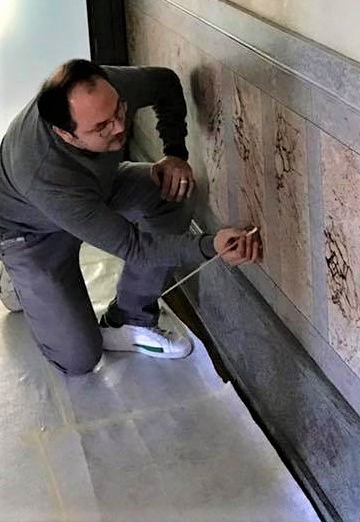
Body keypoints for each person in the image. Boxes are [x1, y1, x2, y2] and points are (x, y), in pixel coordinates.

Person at [0, 59, 261, 375]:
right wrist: (210, 246)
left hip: (95, 190)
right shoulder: (41, 172)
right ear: (66, 135)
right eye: (101, 127)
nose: (119, 127)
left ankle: (129, 318)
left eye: (119, 111)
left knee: (173, 190)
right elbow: (135, 247)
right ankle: (14, 278)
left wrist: (175, 154)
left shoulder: (106, 89)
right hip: (31, 232)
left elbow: (165, 83)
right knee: (79, 360)